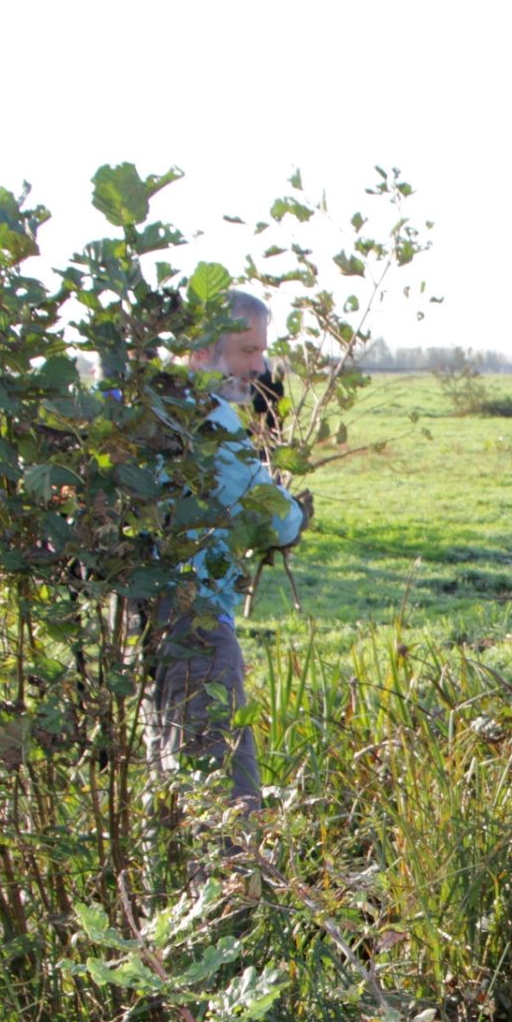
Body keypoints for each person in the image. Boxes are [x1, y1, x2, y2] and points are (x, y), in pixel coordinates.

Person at [143, 292, 306, 809]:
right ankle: (235, 891)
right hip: (199, 624)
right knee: (227, 794)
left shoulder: (151, 407)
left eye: (261, 351)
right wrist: (294, 512)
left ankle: (162, 890)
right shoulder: (210, 419)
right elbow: (276, 518)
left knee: (167, 782)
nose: (258, 365)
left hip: (146, 619)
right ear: (200, 354)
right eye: (246, 350)